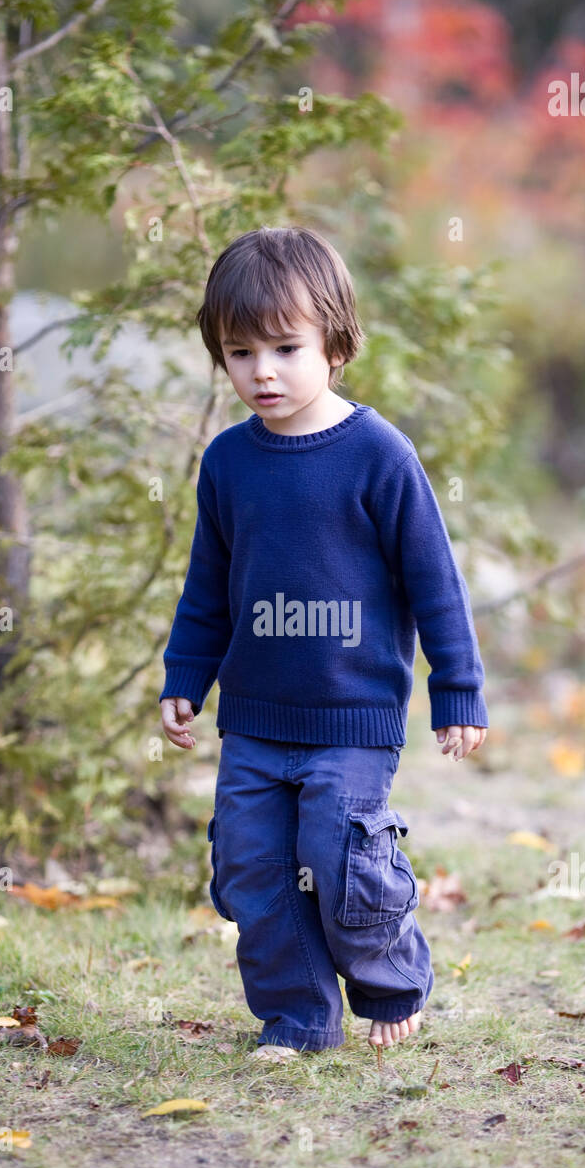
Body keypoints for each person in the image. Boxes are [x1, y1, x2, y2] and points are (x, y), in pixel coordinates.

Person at [159, 226, 487, 1062]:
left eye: (284, 347)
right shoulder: (229, 463)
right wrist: (186, 677)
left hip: (353, 715)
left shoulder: (380, 455)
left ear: (335, 344)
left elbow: (435, 585)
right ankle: (299, 1018)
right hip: (257, 718)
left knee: (337, 853)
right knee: (249, 867)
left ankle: (388, 981)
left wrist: (457, 691)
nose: (261, 371)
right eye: (239, 352)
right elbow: (208, 588)